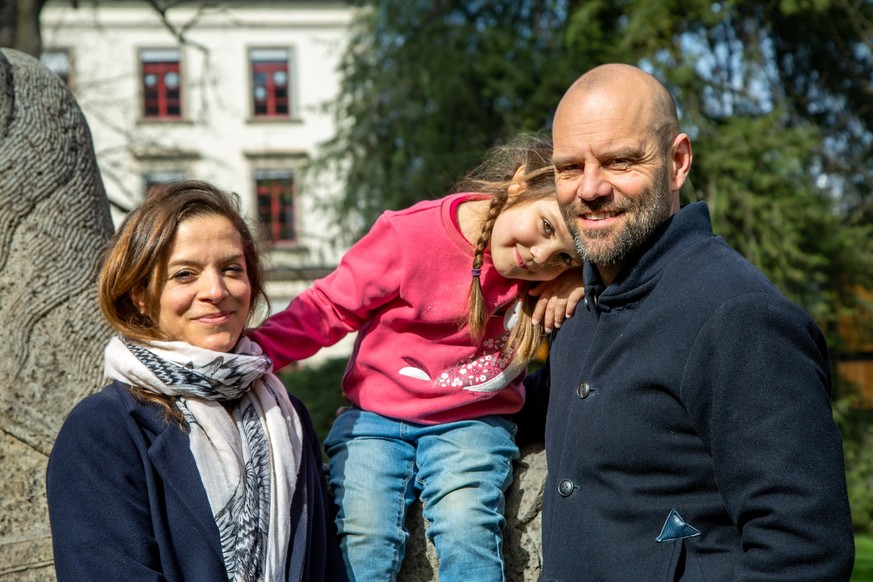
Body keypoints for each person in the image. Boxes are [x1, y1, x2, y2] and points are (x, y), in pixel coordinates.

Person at [528, 63, 855, 580]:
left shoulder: (738, 315)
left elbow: (805, 554)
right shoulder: (579, 311)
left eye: (619, 161)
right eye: (570, 168)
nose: (589, 188)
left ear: (677, 162)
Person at [248, 133, 583, 581]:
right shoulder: (410, 236)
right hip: (376, 419)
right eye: (545, 227)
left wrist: (580, 281)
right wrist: (252, 352)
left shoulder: (549, 279)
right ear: (520, 183)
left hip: (472, 421)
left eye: (561, 256)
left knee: (467, 526)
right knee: (363, 538)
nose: (539, 256)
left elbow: (624, 279)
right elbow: (329, 307)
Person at [46, 181, 344, 581]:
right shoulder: (102, 430)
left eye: (232, 269)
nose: (216, 291)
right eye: (185, 274)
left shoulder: (287, 416)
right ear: (140, 294)